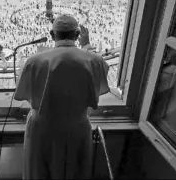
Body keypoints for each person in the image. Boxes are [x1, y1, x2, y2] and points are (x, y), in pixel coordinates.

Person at [14, 14, 110, 179]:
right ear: (77, 35)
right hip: (77, 127)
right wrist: (86, 45)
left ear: (52, 35)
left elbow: (22, 93)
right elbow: (100, 77)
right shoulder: (94, 61)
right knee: (75, 172)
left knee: (40, 172)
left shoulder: (33, 61)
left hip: (42, 128)